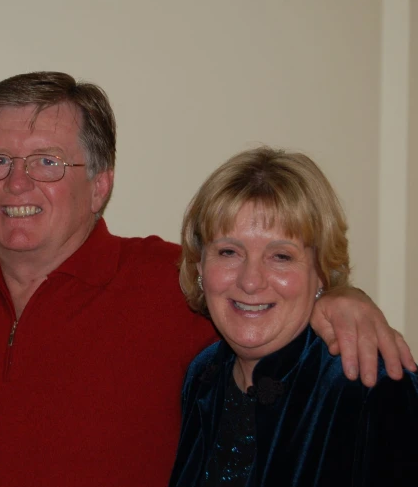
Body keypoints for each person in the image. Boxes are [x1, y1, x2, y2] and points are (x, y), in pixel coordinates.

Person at [0, 72, 416, 487]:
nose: (16, 182)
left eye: (47, 161)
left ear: (100, 186)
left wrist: (342, 296)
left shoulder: (173, 281)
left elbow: (266, 290)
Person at [169, 147, 418, 486]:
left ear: (322, 273)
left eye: (281, 256)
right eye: (229, 252)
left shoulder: (368, 386)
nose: (250, 281)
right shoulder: (204, 377)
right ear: (200, 266)